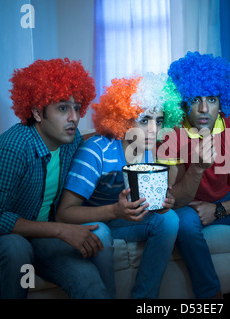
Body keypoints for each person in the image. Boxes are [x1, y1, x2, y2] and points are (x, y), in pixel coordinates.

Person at [0, 58, 114, 299]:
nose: (74, 117)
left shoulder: (69, 142)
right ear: (38, 113)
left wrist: (118, 129)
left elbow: (88, 140)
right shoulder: (12, 149)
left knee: (88, 282)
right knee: (15, 248)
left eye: (77, 107)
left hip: (39, 235)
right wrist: (61, 230)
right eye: (63, 108)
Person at [56, 72, 184, 298]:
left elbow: (142, 205)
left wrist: (161, 203)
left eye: (159, 120)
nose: (154, 130)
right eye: (144, 120)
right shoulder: (96, 151)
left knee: (170, 218)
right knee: (101, 233)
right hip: (95, 220)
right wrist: (115, 210)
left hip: (121, 220)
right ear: (124, 118)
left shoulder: (147, 150)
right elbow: (63, 214)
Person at [157, 51, 230, 299]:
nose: (204, 109)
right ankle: (211, 297)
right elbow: (173, 201)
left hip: (224, 201)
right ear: (183, 101)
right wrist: (197, 168)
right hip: (187, 207)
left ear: (221, 100)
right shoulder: (171, 132)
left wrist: (220, 209)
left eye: (212, 99)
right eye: (195, 99)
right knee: (182, 220)